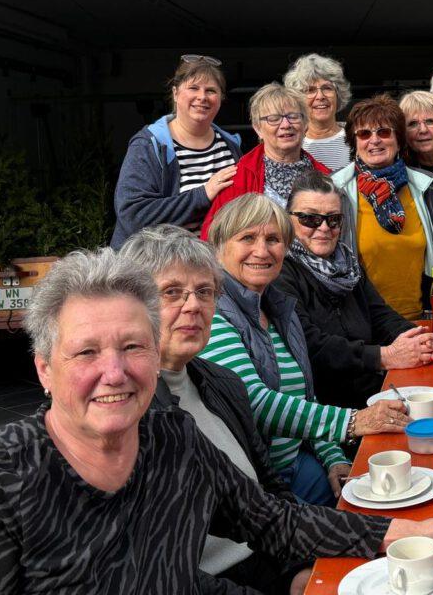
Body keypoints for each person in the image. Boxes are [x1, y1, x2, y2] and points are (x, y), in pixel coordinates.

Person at [0, 248, 433, 594]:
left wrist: (424, 528)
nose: (114, 373)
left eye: (133, 346)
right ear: (44, 369)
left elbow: (276, 520)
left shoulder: (173, 439)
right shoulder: (0, 473)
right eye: (87, 352)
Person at [123, 223, 308, 591]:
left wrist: (301, 567)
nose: (193, 305)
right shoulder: (123, 410)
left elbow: (269, 489)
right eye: (172, 292)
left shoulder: (222, 383)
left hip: (265, 560)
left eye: (204, 292)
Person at [202, 193, 409, 506]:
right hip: (256, 485)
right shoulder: (211, 313)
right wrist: (352, 422)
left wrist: (333, 458)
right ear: (219, 247)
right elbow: (252, 402)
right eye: (247, 238)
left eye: (273, 239)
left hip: (299, 464)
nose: (262, 250)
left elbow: (304, 397)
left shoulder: (278, 308)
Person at [275, 170, 433, 409]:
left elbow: (379, 314)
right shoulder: (280, 271)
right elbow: (309, 343)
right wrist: (384, 357)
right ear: (287, 219)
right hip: (328, 406)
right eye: (310, 219)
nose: (323, 228)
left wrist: (418, 339)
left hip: (374, 390)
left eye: (333, 219)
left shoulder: (346, 261)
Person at [330, 95, 433, 320]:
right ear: (354, 143)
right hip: (364, 326)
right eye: (364, 134)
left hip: (420, 321)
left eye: (383, 132)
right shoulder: (335, 192)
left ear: (399, 139)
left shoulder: (425, 192)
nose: (374, 140)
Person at [111, 55, 241, 247]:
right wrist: (203, 195)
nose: (202, 97)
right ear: (175, 93)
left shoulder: (231, 146)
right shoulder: (149, 145)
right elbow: (133, 215)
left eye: (211, 90)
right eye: (193, 88)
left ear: (220, 99)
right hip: (155, 267)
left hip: (215, 268)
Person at [201, 82, 329, 238]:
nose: (286, 124)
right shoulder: (238, 178)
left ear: (305, 124)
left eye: (293, 116)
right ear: (258, 128)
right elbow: (213, 237)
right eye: (274, 118)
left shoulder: (327, 176)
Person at [283, 53, 353, 172]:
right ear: (298, 100)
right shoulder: (289, 142)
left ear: (338, 95)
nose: (320, 96)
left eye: (327, 88)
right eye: (310, 90)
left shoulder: (358, 136)